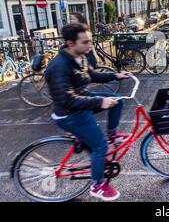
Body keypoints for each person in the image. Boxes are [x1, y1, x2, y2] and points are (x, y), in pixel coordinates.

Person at [45, 23, 132, 201]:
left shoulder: (80, 56)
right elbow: (66, 100)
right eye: (85, 42)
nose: (90, 46)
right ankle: (97, 185)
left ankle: (112, 134)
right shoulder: (58, 67)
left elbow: (93, 75)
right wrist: (100, 101)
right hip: (69, 114)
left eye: (90, 41)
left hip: (81, 100)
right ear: (70, 43)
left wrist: (116, 75)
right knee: (100, 146)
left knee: (116, 102)